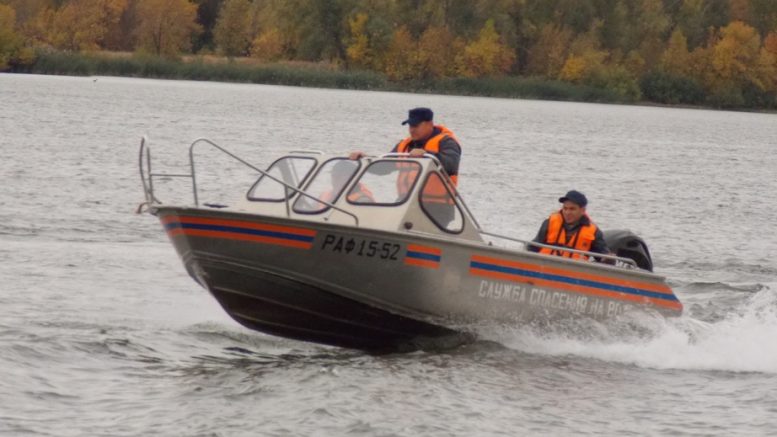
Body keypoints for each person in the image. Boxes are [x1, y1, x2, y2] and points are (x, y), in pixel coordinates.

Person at [349, 107, 462, 184]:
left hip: (438, 206)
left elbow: (451, 165)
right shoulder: (404, 146)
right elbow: (383, 168)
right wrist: (363, 159)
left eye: (416, 126)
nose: (412, 130)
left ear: (430, 124)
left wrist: (427, 155)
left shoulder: (447, 142)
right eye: (410, 126)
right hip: (406, 202)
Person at [529, 190, 611, 261]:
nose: (567, 213)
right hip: (544, 267)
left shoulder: (594, 232)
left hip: (574, 274)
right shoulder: (549, 222)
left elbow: (603, 257)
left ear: (582, 210)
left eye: (572, 209)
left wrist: (608, 259)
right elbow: (533, 247)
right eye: (565, 208)